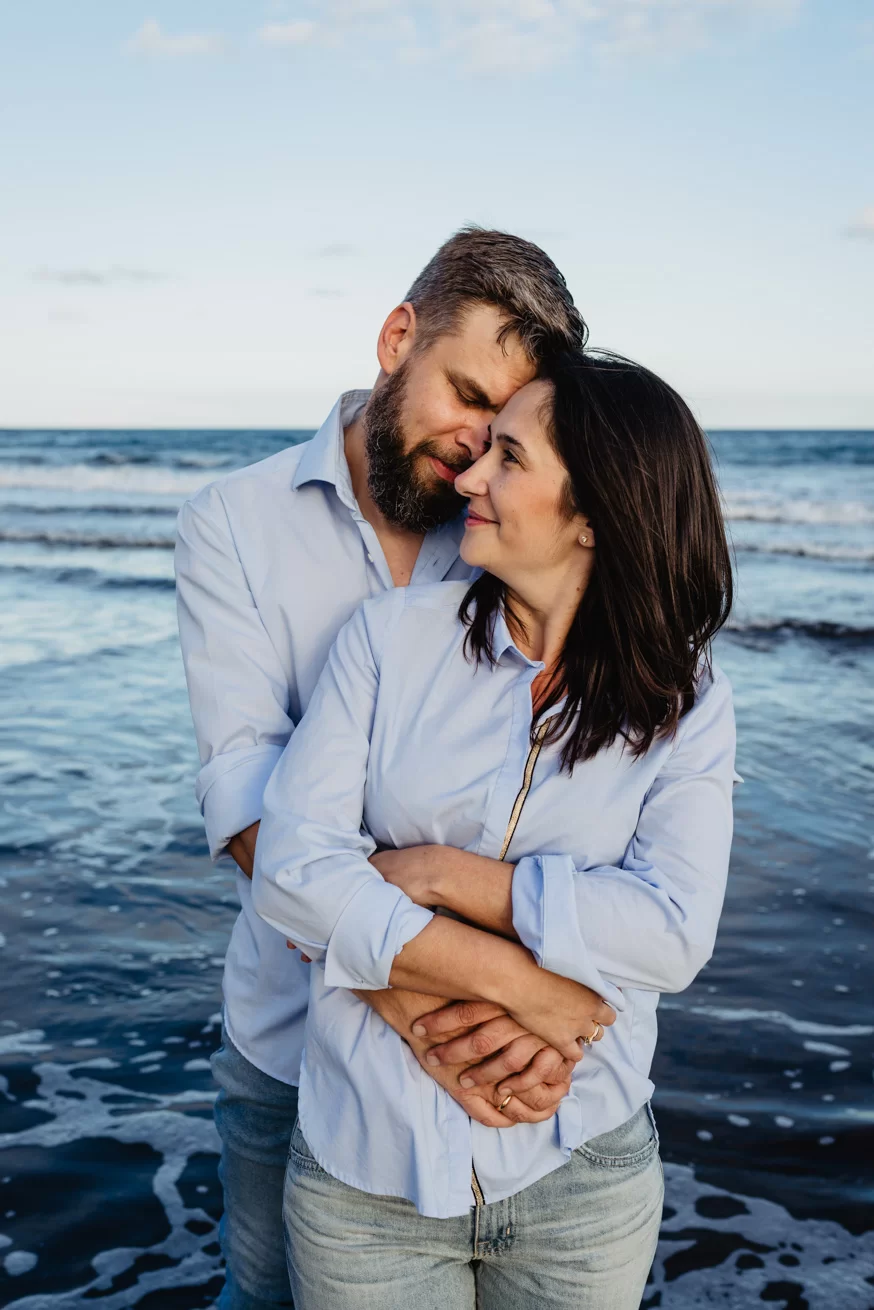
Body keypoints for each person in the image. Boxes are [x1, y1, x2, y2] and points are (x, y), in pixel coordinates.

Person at [253, 350, 738, 1310]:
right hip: (367, 1178)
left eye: (509, 458)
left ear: (597, 512)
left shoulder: (688, 700)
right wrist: (519, 984)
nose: (470, 474)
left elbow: (675, 930)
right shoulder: (389, 641)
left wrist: (437, 874)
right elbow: (292, 873)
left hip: (583, 1170)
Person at [174, 227, 597, 1309]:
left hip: (492, 1057)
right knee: (263, 1293)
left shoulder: (506, 526)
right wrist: (439, 998)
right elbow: (244, 790)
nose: (474, 448)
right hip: (298, 1034)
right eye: (464, 393)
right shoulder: (234, 521)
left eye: (504, 427)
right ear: (395, 336)